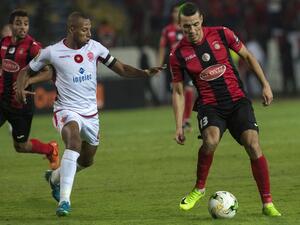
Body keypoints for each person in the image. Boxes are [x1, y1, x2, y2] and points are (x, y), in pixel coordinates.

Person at [16, 11, 164, 217]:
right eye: (84, 29)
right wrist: (20, 88)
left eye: (89, 28)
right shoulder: (52, 52)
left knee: (86, 160)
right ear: (71, 29)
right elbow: (26, 71)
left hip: (91, 114)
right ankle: (64, 201)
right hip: (66, 110)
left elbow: (120, 68)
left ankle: (55, 178)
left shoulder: (96, 48)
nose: (89, 32)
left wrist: (144, 73)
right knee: (73, 142)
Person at [170, 2, 281, 216]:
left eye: (194, 24)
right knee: (210, 141)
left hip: (237, 101)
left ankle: (267, 203)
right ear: (179, 26)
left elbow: (248, 57)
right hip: (210, 105)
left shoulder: (222, 34)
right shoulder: (178, 54)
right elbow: (178, 92)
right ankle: (199, 188)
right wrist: (178, 126)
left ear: (201, 19)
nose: (191, 30)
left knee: (253, 144)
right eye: (186, 27)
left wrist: (265, 85)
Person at [0, 9, 59, 170]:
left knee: (21, 146)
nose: (23, 27)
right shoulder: (4, 43)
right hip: (2, 99)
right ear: (11, 25)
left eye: (26, 24)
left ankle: (50, 149)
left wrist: (28, 81)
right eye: (18, 23)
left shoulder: (32, 48)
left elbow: (49, 72)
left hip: (21, 104)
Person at [158, 2, 194, 131]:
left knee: (189, 90)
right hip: (174, 66)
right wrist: (159, 65)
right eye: (174, 11)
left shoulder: (188, 27)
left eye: (178, 11)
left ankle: (187, 120)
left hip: (188, 63)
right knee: (178, 92)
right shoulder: (167, 30)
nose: (176, 14)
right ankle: (180, 121)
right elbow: (162, 48)